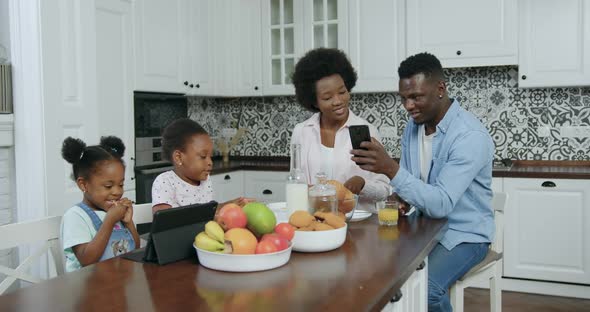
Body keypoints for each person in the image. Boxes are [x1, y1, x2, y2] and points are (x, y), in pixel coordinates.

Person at [351, 52, 495, 312]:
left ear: (440, 89)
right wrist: (400, 198)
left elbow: (440, 203)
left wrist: (390, 169)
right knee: (374, 271)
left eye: (416, 97)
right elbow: (411, 182)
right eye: (404, 98)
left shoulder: (469, 136)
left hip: (465, 235)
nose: (408, 105)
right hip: (425, 227)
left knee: (427, 290)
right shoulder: (414, 126)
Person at [290, 48, 390, 212]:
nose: (338, 101)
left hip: (360, 227)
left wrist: (363, 184)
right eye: (327, 98)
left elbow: (384, 190)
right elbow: (295, 184)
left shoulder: (368, 131)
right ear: (314, 101)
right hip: (316, 222)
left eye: (342, 92)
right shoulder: (301, 132)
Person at [61, 136, 139, 272]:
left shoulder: (116, 212)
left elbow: (135, 249)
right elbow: (87, 260)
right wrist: (109, 220)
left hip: (116, 285)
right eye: (108, 186)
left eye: (120, 184)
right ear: (83, 184)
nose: (117, 192)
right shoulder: (76, 217)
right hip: (87, 289)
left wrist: (128, 223)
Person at [151, 118, 252, 213]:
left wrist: (230, 205)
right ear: (178, 157)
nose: (210, 162)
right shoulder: (165, 182)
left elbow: (207, 210)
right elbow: (164, 221)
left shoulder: (205, 180)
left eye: (210, 156)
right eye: (203, 156)